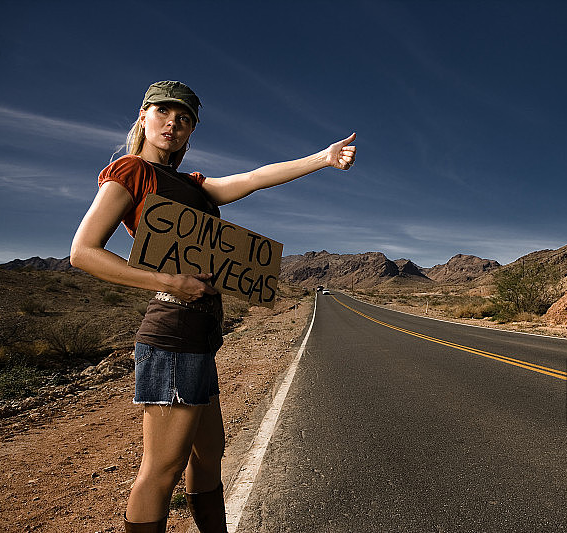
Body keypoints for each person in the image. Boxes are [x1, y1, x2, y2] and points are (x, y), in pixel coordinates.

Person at [70, 80, 356, 533]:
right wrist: (169, 281)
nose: (173, 123)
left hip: (200, 334)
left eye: (184, 119)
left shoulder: (194, 185)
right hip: (171, 332)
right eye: (163, 112)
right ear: (143, 116)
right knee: (162, 469)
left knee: (209, 455)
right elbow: (83, 252)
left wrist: (322, 158)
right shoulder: (131, 171)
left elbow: (253, 178)